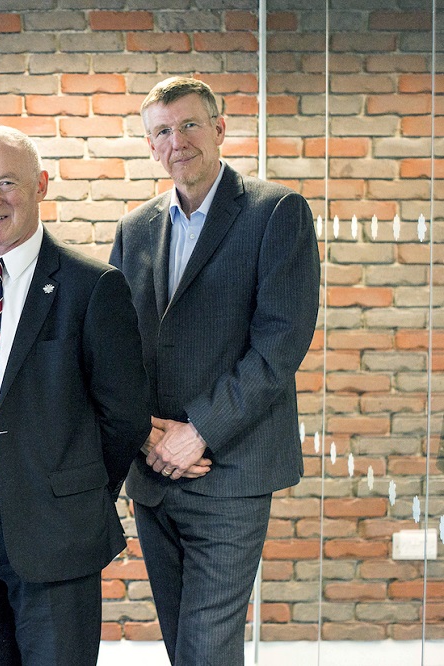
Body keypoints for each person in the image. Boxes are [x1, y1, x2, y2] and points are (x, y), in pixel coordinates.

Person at [109, 76, 321, 665]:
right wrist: (147, 434)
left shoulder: (276, 212)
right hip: (153, 472)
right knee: (185, 647)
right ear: (151, 145)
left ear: (220, 129)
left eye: (189, 124)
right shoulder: (135, 229)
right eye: (162, 131)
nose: (177, 141)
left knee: (207, 648)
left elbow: (281, 343)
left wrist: (196, 431)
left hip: (228, 469)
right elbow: (116, 345)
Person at [0, 126, 151, 666]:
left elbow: (123, 417)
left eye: (7, 182)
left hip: (55, 523)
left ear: (41, 185)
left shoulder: (92, 285)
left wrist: (73, 491)